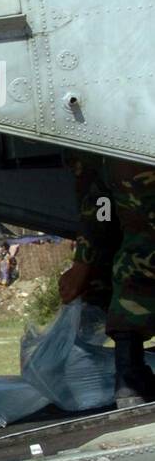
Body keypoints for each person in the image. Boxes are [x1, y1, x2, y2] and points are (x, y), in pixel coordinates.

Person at [59, 153, 155, 406]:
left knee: (133, 277)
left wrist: (83, 262)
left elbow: (99, 210)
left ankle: (129, 378)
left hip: (137, 246)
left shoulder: (106, 150)